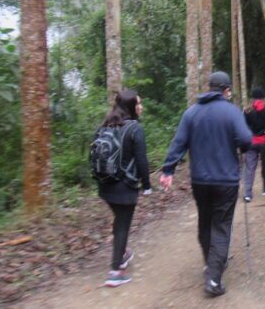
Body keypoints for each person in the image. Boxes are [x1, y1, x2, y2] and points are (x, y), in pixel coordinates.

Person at [159, 71, 252, 297]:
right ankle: (213, 278)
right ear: (226, 90)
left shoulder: (191, 112)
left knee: (205, 222)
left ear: (209, 87)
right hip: (226, 179)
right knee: (221, 225)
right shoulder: (232, 112)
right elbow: (246, 140)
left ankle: (210, 263)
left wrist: (168, 169)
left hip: (200, 179)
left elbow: (178, 142)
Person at [94, 90, 151, 288]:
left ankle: (123, 253)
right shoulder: (135, 128)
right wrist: (147, 186)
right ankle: (115, 271)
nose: (141, 107)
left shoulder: (104, 126)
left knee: (119, 220)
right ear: (130, 107)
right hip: (125, 186)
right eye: (138, 103)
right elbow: (142, 161)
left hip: (105, 186)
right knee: (123, 226)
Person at [243, 87, 265, 201]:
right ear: (264, 97)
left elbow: (243, 127)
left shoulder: (247, 110)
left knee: (249, 167)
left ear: (252, 98)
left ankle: (247, 193)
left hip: (251, 142)